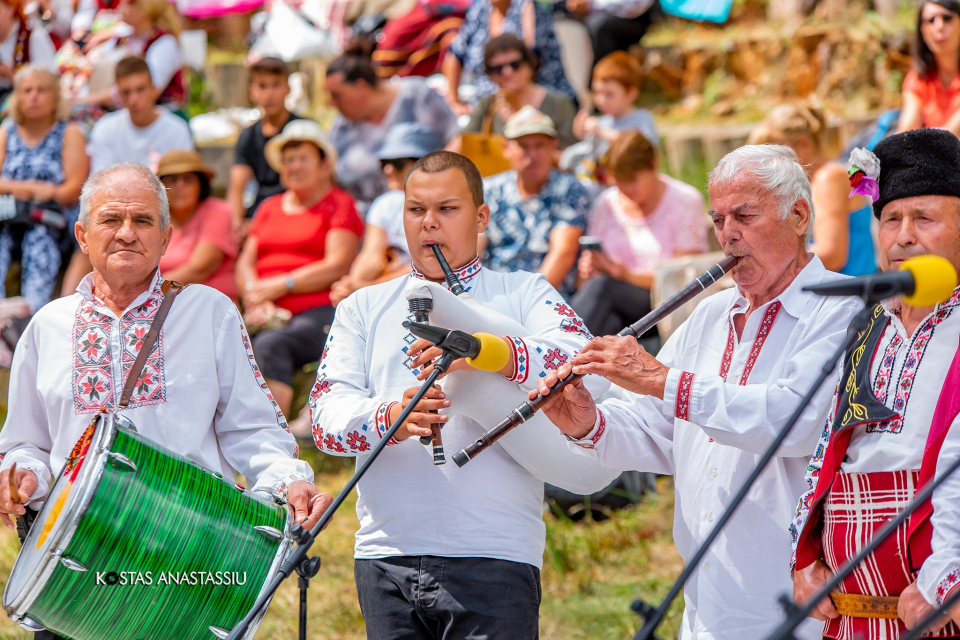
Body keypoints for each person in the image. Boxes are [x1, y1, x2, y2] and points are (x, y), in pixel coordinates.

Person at [534, 144, 864, 639]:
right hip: (705, 600)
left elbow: (793, 423)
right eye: (718, 219)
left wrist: (661, 380)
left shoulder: (841, 311)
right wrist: (587, 421)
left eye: (744, 216)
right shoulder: (709, 316)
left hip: (801, 604)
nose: (728, 234)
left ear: (799, 215)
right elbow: (658, 430)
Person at [0, 164, 330, 626]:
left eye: (143, 220)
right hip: (73, 568)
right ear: (81, 234)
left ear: (166, 236)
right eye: (111, 220)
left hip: (187, 558)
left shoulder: (209, 312)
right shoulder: (47, 327)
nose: (127, 234)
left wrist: (288, 481)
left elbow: (254, 429)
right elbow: (25, 443)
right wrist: (22, 476)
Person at [310, 150, 605, 640]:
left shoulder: (523, 292)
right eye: (415, 210)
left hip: (494, 553)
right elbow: (323, 418)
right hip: (385, 555)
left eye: (447, 209)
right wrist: (391, 417)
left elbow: (582, 364)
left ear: (481, 216)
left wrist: (486, 352)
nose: (429, 225)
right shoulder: (362, 307)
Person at [791, 128, 960, 639]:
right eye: (890, 219)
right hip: (852, 612)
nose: (903, 236)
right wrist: (805, 556)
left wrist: (946, 582)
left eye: (924, 218)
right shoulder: (868, 327)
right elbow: (829, 449)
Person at [235, 120, 363, 417]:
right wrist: (256, 296)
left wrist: (281, 285)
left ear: (324, 164)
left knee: (270, 344)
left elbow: (336, 264)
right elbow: (245, 262)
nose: (295, 166)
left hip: (316, 311)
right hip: (262, 310)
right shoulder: (268, 207)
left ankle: (271, 439)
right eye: (288, 160)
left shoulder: (339, 204)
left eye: (304, 158)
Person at [571, 131, 708, 337]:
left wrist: (626, 275)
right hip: (614, 304)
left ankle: (556, 353)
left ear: (653, 165)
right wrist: (588, 270)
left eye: (633, 180)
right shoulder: (606, 203)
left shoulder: (685, 200)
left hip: (663, 303)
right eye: (619, 182)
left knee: (603, 287)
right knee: (609, 323)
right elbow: (583, 284)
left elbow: (684, 281)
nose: (626, 190)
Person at [326, 40, 458, 209]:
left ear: (360, 86)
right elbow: (331, 179)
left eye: (337, 95)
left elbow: (458, 139)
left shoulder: (416, 96)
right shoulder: (340, 129)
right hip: (366, 219)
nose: (332, 104)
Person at [750, 104, 877, 276]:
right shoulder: (806, 187)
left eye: (773, 158)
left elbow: (831, 255)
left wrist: (763, 261)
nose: (767, 168)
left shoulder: (829, 178)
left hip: (852, 295)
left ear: (803, 144)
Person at [0, 65, 88, 312]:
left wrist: (38, 194)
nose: (33, 96)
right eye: (26, 90)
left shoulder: (69, 133)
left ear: (55, 97)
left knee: (40, 233)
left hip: (53, 219)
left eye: (41, 90)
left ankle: (32, 311)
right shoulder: (6, 133)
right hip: (9, 215)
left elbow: (72, 191)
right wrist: (32, 188)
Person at [330, 122, 444, 306]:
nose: (388, 170)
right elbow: (370, 257)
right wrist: (351, 285)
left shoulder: (453, 207)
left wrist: (366, 290)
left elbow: (436, 268)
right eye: (385, 162)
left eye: (398, 163)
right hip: (390, 293)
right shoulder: (386, 203)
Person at [482, 106, 589, 297]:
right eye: (523, 146)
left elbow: (563, 253)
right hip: (492, 295)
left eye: (539, 145)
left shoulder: (569, 189)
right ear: (506, 148)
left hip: (548, 300)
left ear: (554, 145)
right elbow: (471, 251)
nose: (532, 155)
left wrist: (524, 303)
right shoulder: (489, 190)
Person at [443, 0, 577, 115]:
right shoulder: (481, 8)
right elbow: (455, 52)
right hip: (487, 102)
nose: (505, 70)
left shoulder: (527, 7)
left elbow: (529, 64)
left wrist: (505, 104)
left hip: (533, 103)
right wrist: (454, 102)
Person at [560, 51, 658, 190]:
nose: (601, 100)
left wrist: (601, 132)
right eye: (597, 92)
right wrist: (581, 134)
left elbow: (644, 148)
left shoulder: (642, 119)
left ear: (631, 93)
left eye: (609, 94)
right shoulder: (602, 122)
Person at [461, 34, 577, 149]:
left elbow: (572, 156)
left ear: (529, 64)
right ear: (490, 74)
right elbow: (460, 143)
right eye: (498, 68)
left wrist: (528, 152)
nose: (508, 72)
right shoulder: (488, 104)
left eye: (515, 64)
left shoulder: (558, 103)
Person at [227, 57, 304, 231]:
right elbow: (237, 188)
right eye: (262, 86)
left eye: (276, 85)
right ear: (252, 91)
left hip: (296, 209)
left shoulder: (302, 130)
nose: (269, 94)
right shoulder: (248, 136)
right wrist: (236, 225)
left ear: (288, 89)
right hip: (259, 213)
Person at [87, 56, 193, 175]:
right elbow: (99, 182)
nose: (133, 100)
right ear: (119, 95)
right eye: (126, 92)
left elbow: (184, 184)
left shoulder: (178, 131)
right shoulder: (105, 128)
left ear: (154, 90)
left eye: (140, 90)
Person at [156, 150, 238, 300]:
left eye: (187, 179)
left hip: (208, 306)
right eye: (172, 180)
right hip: (158, 308)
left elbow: (199, 268)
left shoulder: (218, 210)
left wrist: (148, 294)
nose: (179, 186)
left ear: (201, 184)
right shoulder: (153, 216)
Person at [77, 0, 185, 110]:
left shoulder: (164, 43)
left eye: (128, 3)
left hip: (156, 114)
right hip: (116, 111)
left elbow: (150, 90)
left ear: (144, 9)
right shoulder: (124, 37)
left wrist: (91, 99)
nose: (120, 7)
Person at [898, 0, 960, 135]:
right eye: (931, 20)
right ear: (922, 30)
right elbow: (906, 130)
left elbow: (952, 132)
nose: (940, 26)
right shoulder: (918, 79)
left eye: (947, 18)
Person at [564, 0, 656, 68]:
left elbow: (636, 4)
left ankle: (601, 81)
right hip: (593, 15)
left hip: (632, 20)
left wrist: (591, 4)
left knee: (600, 27)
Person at [0, 0, 56, 102]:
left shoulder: (34, 36)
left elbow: (50, 83)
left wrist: (11, 76)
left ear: (10, 10)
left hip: (29, 107)